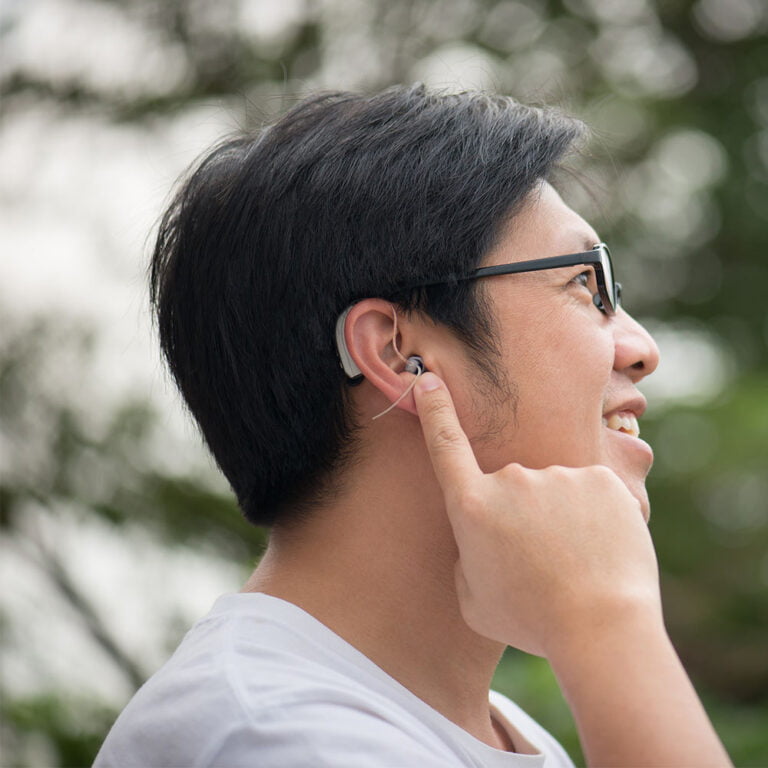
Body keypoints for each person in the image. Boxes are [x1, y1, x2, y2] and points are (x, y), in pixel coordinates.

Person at [94, 84, 731, 767]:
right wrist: (605, 620)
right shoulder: (273, 735)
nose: (640, 348)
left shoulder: (482, 729)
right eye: (586, 283)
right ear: (400, 352)